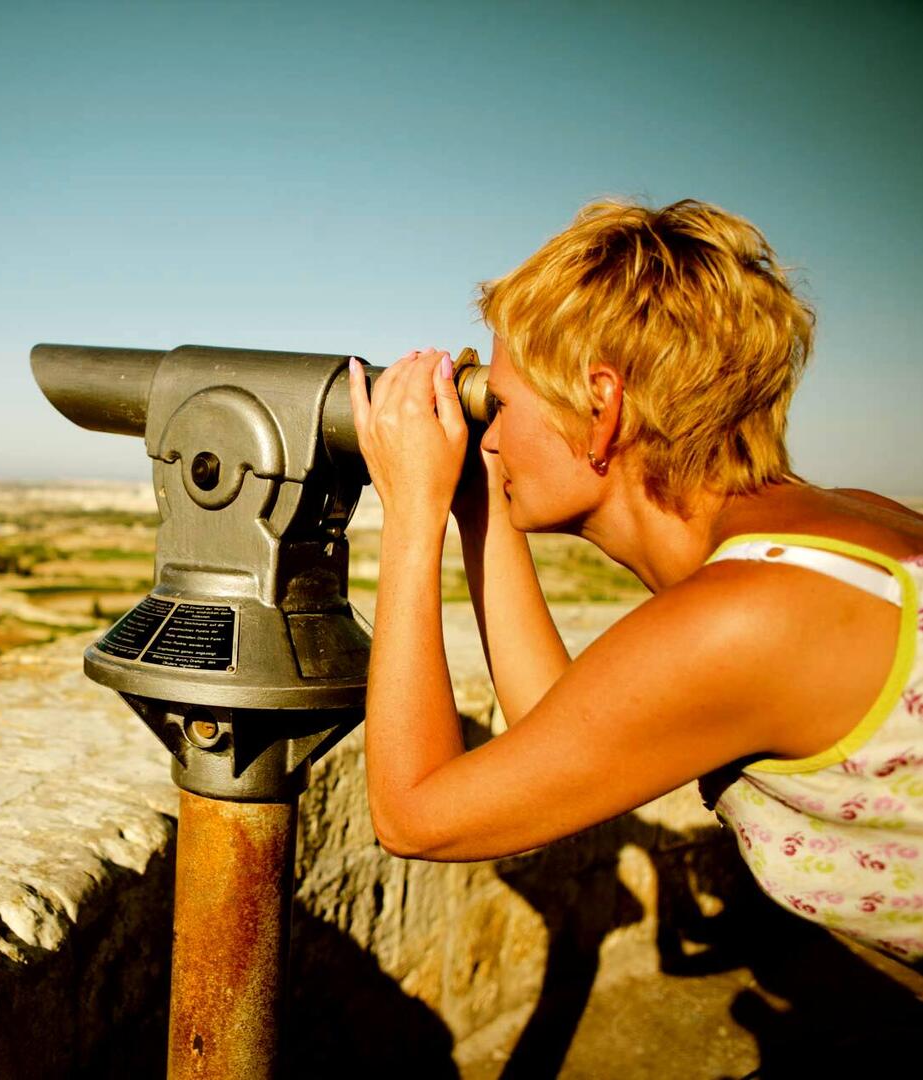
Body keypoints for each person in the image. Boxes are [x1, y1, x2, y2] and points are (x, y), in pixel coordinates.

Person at [346, 198, 923, 968]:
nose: (493, 426)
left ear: (600, 406)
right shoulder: (843, 533)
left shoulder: (750, 617)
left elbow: (417, 816)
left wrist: (408, 515)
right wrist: (474, 497)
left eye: (502, 402)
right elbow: (559, 729)